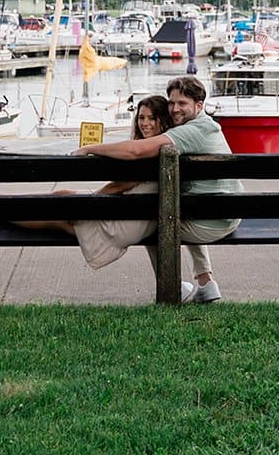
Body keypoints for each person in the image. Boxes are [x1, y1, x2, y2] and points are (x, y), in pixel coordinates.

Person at [0, 96, 208, 273]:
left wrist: (90, 199)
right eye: (142, 118)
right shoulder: (164, 147)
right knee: (60, 196)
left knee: (56, 211)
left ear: (162, 121)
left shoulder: (148, 151)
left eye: (152, 119)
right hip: (133, 219)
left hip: (121, 226)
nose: (145, 123)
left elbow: (118, 186)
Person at [74, 74, 242, 303]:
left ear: (199, 105)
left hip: (212, 221)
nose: (174, 109)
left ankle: (173, 286)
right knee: (178, 208)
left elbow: (136, 151)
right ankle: (205, 283)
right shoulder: (206, 125)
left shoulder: (191, 131)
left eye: (182, 103)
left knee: (153, 222)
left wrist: (91, 148)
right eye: (171, 102)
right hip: (226, 211)